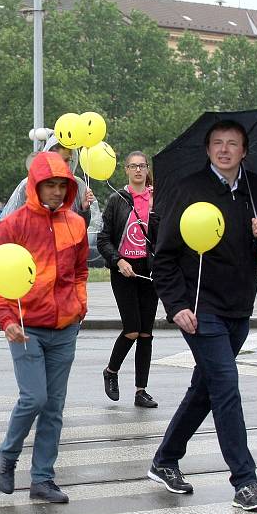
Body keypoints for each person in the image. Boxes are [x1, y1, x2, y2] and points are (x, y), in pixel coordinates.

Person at [148, 120, 257, 511]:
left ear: (245, 150)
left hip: (240, 307)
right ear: (207, 150)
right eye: (218, 144)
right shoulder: (188, 189)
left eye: (233, 144)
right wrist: (176, 307)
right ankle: (245, 482)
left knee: (205, 388)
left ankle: (164, 460)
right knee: (225, 386)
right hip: (199, 308)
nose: (225, 150)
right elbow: (165, 256)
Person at [0, 151, 89, 504]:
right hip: (25, 325)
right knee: (35, 397)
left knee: (54, 407)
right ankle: (7, 455)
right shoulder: (12, 224)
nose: (57, 192)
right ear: (36, 186)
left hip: (65, 327)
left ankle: (43, 479)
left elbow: (79, 271)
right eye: (50, 185)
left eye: (63, 185)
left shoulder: (76, 223)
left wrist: (80, 305)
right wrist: (6, 320)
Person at [97, 151, 160, 408]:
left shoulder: (157, 199)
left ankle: (141, 390)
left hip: (149, 271)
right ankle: (111, 371)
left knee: (146, 334)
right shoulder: (117, 199)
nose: (137, 170)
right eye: (133, 166)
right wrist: (118, 261)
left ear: (147, 169)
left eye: (141, 166)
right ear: (126, 170)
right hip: (124, 270)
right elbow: (103, 239)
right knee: (132, 329)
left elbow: (164, 236)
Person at [0, 135, 97, 227]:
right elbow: (11, 222)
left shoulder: (78, 185)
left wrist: (84, 209)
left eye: (67, 160)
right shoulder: (28, 184)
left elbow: (81, 228)